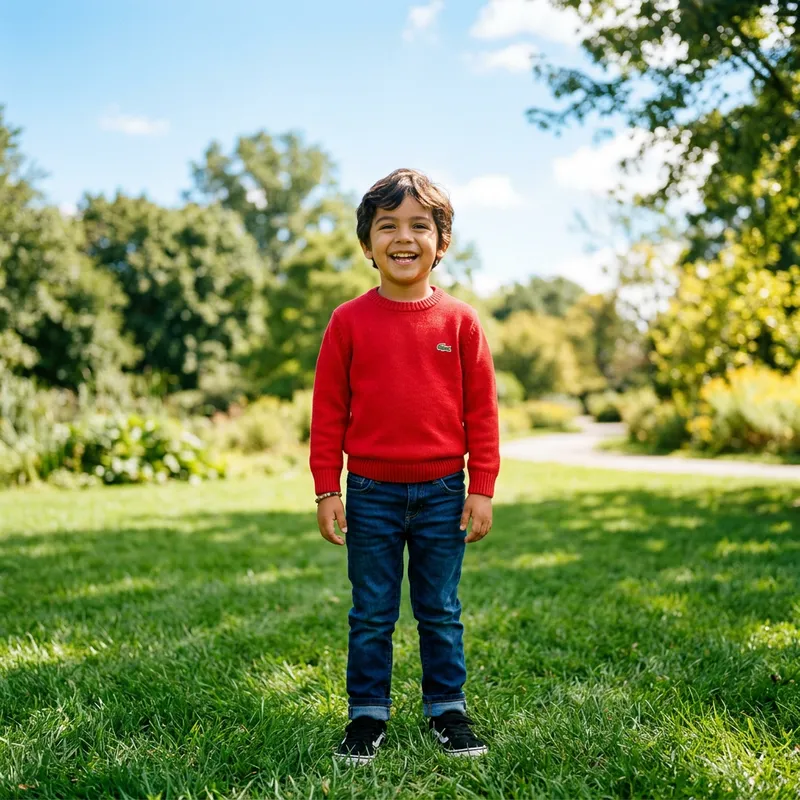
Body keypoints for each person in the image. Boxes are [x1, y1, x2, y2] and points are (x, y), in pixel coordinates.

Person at [309, 168, 500, 764]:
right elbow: (327, 414)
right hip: (370, 492)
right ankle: (366, 717)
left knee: (440, 609)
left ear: (440, 243)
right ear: (368, 243)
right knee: (371, 612)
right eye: (387, 225)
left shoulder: (461, 322)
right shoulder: (348, 321)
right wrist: (327, 491)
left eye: (420, 225)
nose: (404, 237)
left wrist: (483, 488)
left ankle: (448, 709)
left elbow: (483, 413)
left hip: (445, 491)